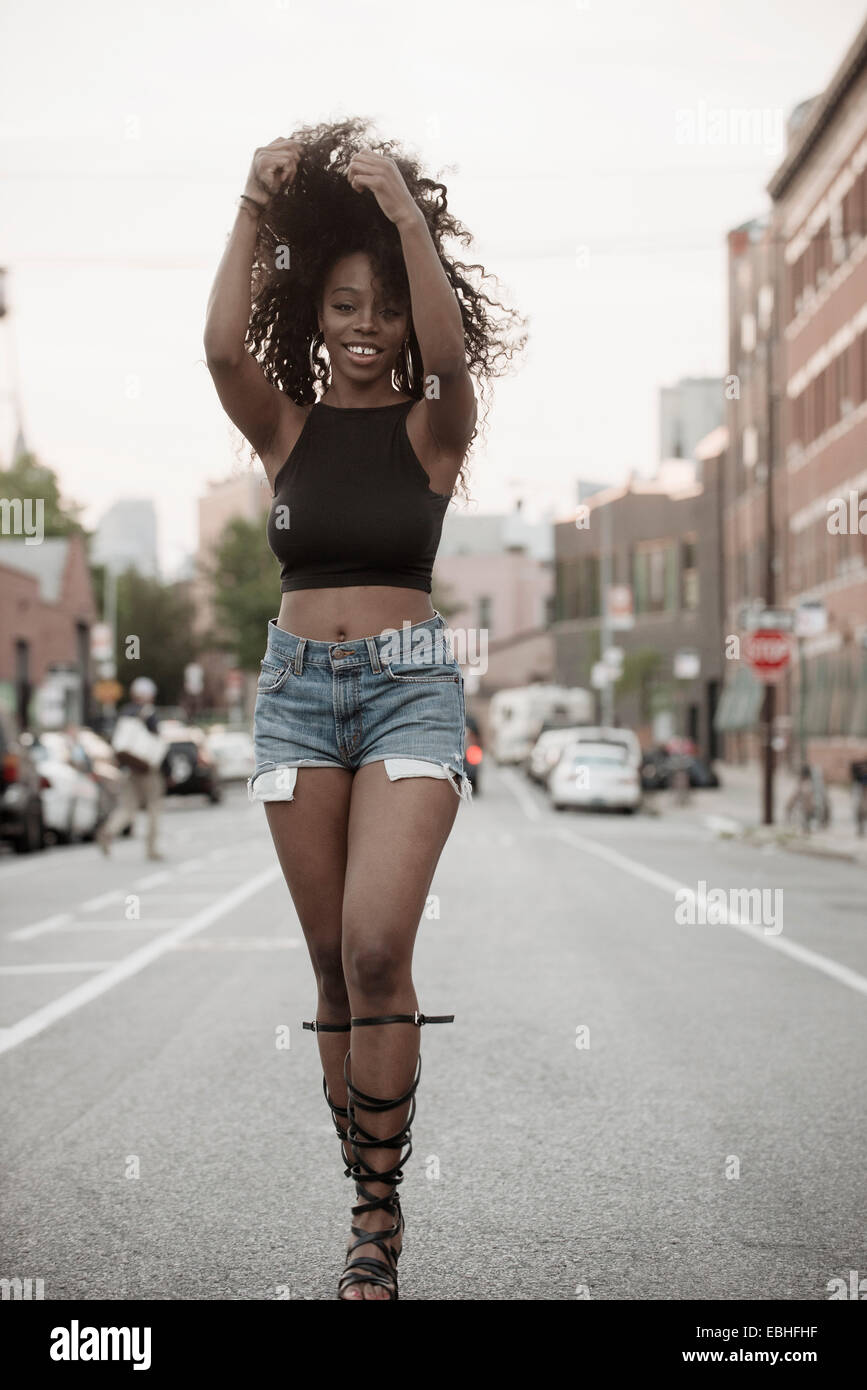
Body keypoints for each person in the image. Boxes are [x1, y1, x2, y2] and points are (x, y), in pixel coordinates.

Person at [204, 120, 524, 1300]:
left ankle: (379, 1218)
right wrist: (249, 201)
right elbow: (218, 350)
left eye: (382, 308)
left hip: (407, 693)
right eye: (344, 307)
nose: (366, 329)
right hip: (295, 699)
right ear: (316, 316)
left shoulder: (432, 433)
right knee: (333, 973)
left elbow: (449, 360)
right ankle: (366, 1190)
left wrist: (403, 222)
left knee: (380, 945)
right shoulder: (283, 431)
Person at [97, 676, 165, 860]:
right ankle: (151, 848)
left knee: (127, 807)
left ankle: (108, 831)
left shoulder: (124, 712)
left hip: (130, 767)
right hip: (147, 768)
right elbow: (157, 739)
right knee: (154, 806)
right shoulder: (148, 713)